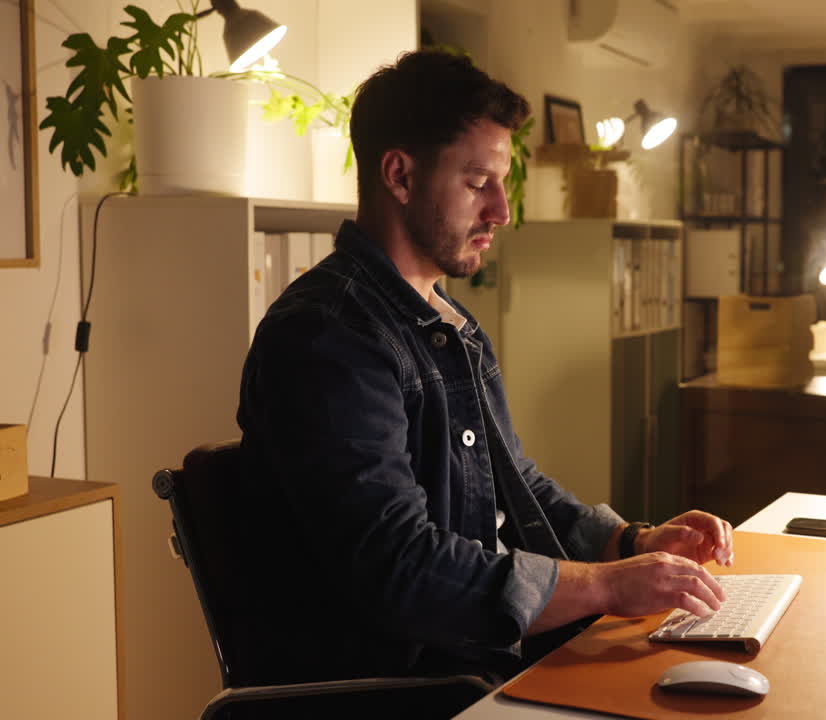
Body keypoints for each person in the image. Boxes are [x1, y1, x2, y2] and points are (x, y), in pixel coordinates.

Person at [235, 49, 734, 714]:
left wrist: (634, 544)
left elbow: (516, 486)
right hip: (422, 688)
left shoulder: (445, 320)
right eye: (477, 184)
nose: (501, 211)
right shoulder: (328, 337)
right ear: (400, 176)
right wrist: (610, 588)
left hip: (484, 660)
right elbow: (402, 570)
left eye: (501, 183)